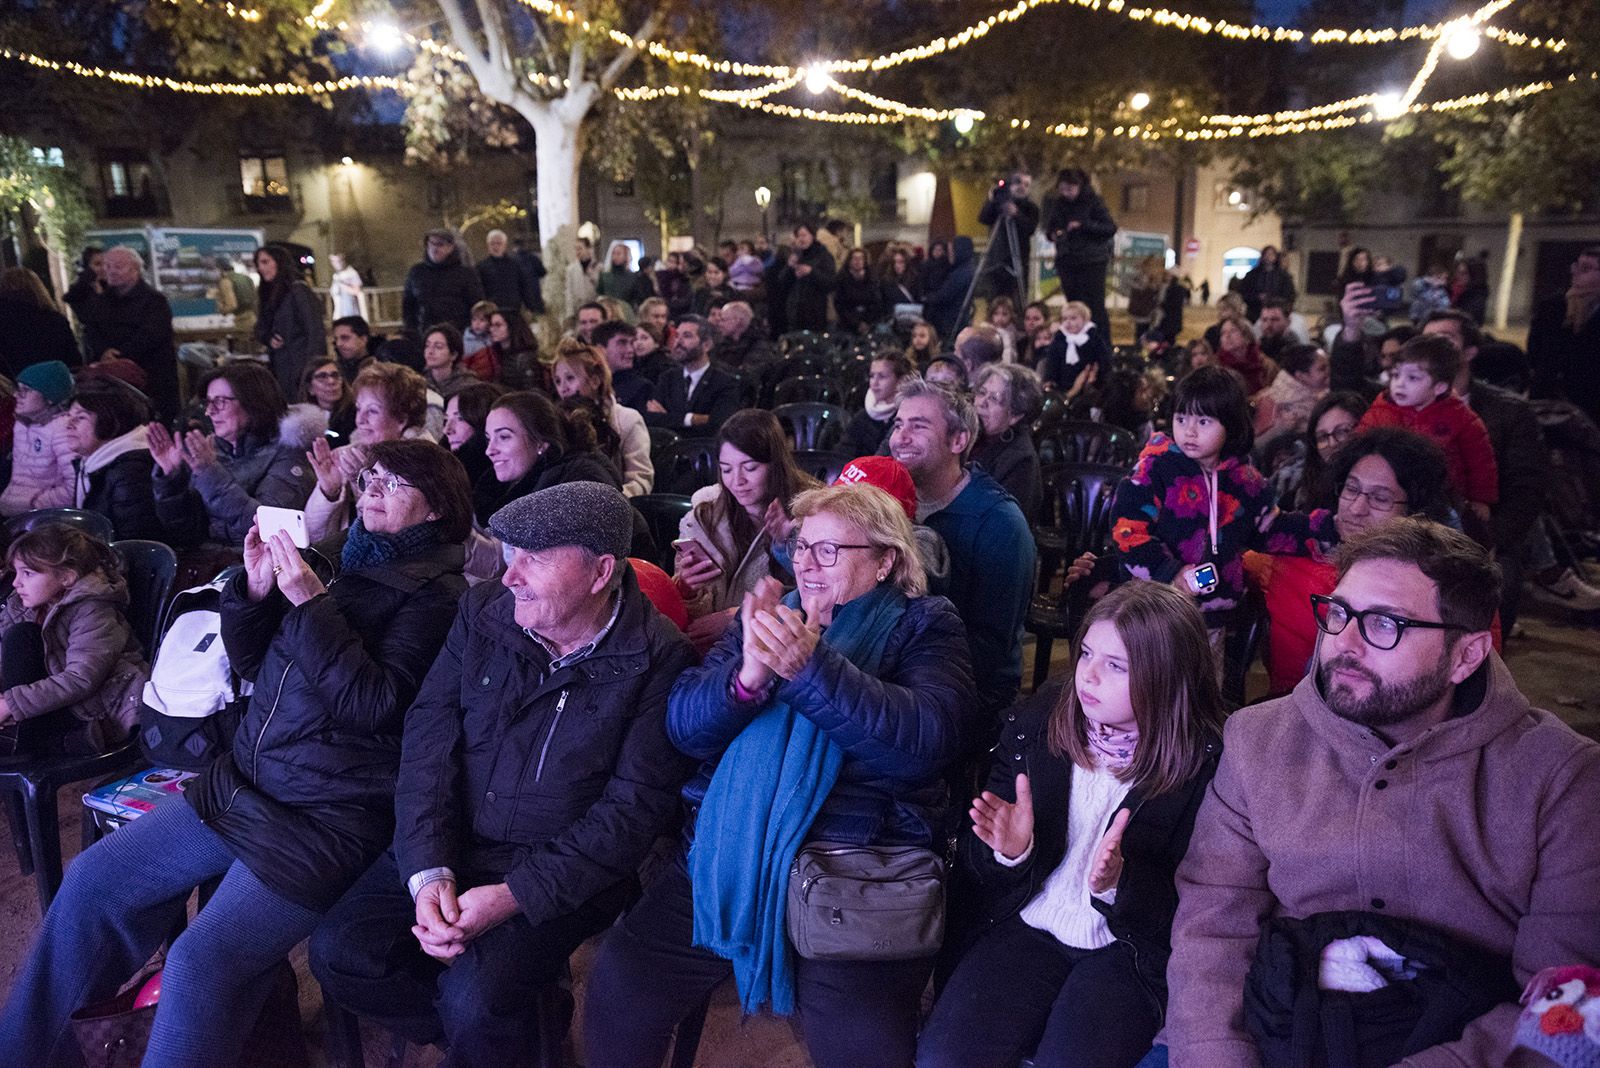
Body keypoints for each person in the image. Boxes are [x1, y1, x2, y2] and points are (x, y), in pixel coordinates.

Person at [0, 440, 471, 1066]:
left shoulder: (440, 597)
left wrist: (309, 603)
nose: (374, 488)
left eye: (396, 482)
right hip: (245, 780)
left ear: (437, 508)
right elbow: (253, 663)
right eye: (374, 475)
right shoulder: (340, 557)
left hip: (328, 817)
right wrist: (251, 594)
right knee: (93, 884)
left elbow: (373, 705)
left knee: (199, 964)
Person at [1151, 517, 1600, 1068]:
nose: (1344, 643)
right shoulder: (1258, 739)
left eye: (1385, 623)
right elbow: (1212, 926)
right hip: (1278, 1030)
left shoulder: (1563, 779)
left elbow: (1567, 1000)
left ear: (1467, 655)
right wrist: (1214, 1055)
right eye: (1338, 613)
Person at [584, 483, 977, 1068]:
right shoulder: (769, 616)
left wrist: (809, 669)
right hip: (730, 854)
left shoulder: (925, 624)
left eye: (828, 551)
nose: (806, 565)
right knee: (619, 985)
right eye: (800, 548)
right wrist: (746, 680)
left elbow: (922, 743)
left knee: (864, 1042)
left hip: (855, 868)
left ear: (886, 560)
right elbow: (684, 727)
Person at [310, 481, 694, 1066]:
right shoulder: (485, 611)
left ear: (600, 573)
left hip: (558, 866)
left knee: (478, 1001)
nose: (510, 577)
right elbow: (428, 742)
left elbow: (631, 812)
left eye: (534, 560)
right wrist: (427, 869)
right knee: (340, 952)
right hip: (454, 836)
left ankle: (497, 1039)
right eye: (509, 555)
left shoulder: (655, 655)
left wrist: (515, 896)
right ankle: (515, 1043)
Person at [920, 581, 1225, 1068]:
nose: (1088, 676)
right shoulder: (1044, 719)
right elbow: (981, 869)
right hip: (1027, 917)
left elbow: (1201, 907)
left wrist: (1118, 884)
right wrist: (1012, 852)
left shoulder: (1207, 766)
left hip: (1127, 947)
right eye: (1086, 654)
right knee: (944, 1058)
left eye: (1116, 665)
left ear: (1168, 677)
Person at [1251, 426, 1452, 697]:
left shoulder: (1440, 576)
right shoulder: (1298, 545)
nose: (1357, 509)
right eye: (1351, 489)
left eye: (1380, 499)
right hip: (1292, 707)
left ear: (1414, 509)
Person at [1109, 366, 1281, 662]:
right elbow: (1127, 530)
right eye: (1181, 418)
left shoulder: (1244, 479)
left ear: (1231, 425)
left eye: (1203, 420)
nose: (1189, 430)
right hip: (1153, 610)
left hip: (1212, 619)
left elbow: (1270, 528)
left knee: (1201, 691)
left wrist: (1327, 529)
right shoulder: (1156, 468)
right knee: (1148, 688)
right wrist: (1170, 572)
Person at [890, 379, 1034, 723]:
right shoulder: (889, 500)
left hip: (966, 687)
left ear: (958, 440)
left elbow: (990, 650)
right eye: (898, 425)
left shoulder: (998, 522)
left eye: (918, 426)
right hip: (901, 664)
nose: (900, 438)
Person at [672, 410, 819, 652]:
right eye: (726, 469)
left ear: (775, 465)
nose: (737, 481)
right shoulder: (705, 514)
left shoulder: (812, 513)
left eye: (749, 468)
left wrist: (741, 618)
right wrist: (686, 588)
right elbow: (685, 608)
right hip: (706, 649)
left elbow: (820, 600)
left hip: (773, 648)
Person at [0, 524, 149, 756]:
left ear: (67, 577)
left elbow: (81, 678)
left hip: (92, 715)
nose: (15, 583)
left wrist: (10, 704)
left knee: (22, 637)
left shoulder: (94, 609)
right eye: (16, 573)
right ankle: (23, 735)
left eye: (27, 573)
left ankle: (41, 739)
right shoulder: (24, 606)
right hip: (46, 707)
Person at [149, 361, 324, 547]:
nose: (209, 412)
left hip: (264, 566)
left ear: (254, 402)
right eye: (208, 402)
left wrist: (210, 475)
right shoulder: (212, 450)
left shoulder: (291, 450)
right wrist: (172, 481)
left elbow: (269, 530)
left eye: (220, 402)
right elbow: (184, 533)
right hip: (214, 564)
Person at [1357, 333, 1497, 525]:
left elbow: (1480, 462)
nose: (1400, 384)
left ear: (1439, 387)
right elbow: (1359, 447)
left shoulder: (1461, 417)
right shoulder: (1381, 409)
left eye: (1413, 378)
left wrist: (1481, 499)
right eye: (1396, 375)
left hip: (1443, 501)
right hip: (1387, 496)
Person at [304, 362, 431, 542]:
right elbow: (313, 535)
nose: (360, 419)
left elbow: (389, 540)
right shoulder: (351, 455)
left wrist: (361, 483)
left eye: (372, 411)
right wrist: (329, 491)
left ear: (401, 419)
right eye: (358, 408)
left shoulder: (425, 464)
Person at [473, 390, 624, 528]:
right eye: (488, 439)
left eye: (504, 437)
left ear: (541, 442)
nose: (489, 450)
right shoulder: (496, 489)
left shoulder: (580, 483)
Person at [78, 247, 179, 421]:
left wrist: (121, 356)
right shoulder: (100, 301)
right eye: (107, 266)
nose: (110, 271)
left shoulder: (154, 300)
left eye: (117, 266)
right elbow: (91, 329)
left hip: (151, 380)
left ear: (135, 269)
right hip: (113, 385)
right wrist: (103, 351)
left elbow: (151, 335)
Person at [63, 377, 162, 541]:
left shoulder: (129, 472)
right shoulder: (91, 462)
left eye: (80, 418)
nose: (68, 424)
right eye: (68, 415)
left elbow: (133, 544)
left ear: (110, 421)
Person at [551, 339, 653, 497]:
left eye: (570, 378)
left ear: (594, 381)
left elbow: (641, 479)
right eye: (558, 381)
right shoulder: (558, 421)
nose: (563, 388)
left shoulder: (628, 419)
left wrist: (608, 499)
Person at [1527, 245, 1600, 427]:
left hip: (1590, 407)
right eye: (1576, 266)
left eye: (1586, 269)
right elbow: (1534, 350)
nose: (1576, 273)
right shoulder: (1552, 306)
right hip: (1546, 401)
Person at [1044, 168, 1117, 338]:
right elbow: (1050, 227)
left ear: (1079, 186)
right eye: (1062, 189)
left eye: (1069, 189)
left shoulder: (1094, 202)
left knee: (1094, 306)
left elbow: (1110, 228)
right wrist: (1054, 234)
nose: (1066, 193)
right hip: (1067, 260)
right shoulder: (1058, 204)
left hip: (1092, 262)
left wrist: (1084, 225)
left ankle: (1100, 342)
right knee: (1074, 304)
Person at [1, 361, 78, 517]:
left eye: (26, 390)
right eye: (18, 388)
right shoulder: (22, 423)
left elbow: (74, 486)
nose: (16, 395)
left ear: (49, 398)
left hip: (40, 518)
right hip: (11, 510)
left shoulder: (62, 430)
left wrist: (35, 504)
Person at [644, 315, 741, 437]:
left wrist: (669, 418)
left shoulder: (725, 383)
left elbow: (718, 426)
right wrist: (691, 419)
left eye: (687, 336)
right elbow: (652, 419)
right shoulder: (667, 378)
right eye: (677, 335)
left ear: (706, 345)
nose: (678, 342)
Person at [970, 363, 1044, 521]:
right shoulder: (968, 434)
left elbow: (1004, 520)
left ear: (1015, 415)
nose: (982, 402)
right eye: (981, 393)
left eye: (994, 399)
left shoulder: (1021, 460)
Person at [252, 244, 327, 399]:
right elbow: (261, 327)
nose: (261, 268)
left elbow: (315, 329)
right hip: (282, 366)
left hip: (300, 366)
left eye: (266, 262)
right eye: (259, 263)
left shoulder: (298, 291)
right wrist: (268, 338)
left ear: (279, 262)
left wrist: (312, 369)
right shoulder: (269, 294)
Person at [977, 170, 1040, 309]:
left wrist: (1016, 214)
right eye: (1018, 182)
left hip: (1017, 262)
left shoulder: (1031, 208)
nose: (1022, 187)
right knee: (993, 303)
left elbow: (1030, 229)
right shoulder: (998, 204)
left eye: (1026, 184)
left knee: (1016, 304)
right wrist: (992, 201)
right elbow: (983, 218)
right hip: (995, 261)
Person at [403, 229, 484, 335]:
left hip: (457, 334)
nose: (435, 248)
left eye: (440, 244)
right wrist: (411, 331)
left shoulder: (465, 274)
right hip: (424, 334)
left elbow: (476, 305)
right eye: (431, 244)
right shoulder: (416, 272)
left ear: (450, 248)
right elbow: (408, 305)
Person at [1252, 342, 1329, 450]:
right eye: (1322, 369)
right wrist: (1279, 429)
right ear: (1301, 376)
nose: (1329, 371)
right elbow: (1255, 446)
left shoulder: (1320, 394)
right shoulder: (1276, 402)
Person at [842, 351, 914, 458]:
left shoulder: (905, 417)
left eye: (882, 376)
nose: (874, 383)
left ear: (900, 381)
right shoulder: (863, 415)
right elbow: (843, 451)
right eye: (872, 376)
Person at [1039, 299, 1111, 397]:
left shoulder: (1093, 338)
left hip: (1089, 385)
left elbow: (1103, 360)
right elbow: (1052, 360)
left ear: (1085, 319)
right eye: (1065, 319)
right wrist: (1050, 379)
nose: (1068, 322)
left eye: (1073, 318)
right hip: (1063, 384)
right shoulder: (1059, 338)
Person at [442, 381, 506, 489]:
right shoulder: (444, 467)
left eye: (460, 418)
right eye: (446, 419)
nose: (447, 430)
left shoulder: (497, 476)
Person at [779, 223, 839, 333]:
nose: (801, 239)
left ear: (812, 236)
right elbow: (782, 283)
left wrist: (811, 272)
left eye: (804, 235)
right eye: (799, 236)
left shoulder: (823, 256)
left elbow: (831, 283)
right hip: (795, 314)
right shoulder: (796, 255)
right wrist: (789, 268)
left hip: (816, 314)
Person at [923, 236, 978, 342]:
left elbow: (944, 295)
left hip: (953, 321)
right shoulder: (966, 269)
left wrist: (927, 298)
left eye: (951, 251)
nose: (949, 255)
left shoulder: (961, 273)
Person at [477, 229, 537, 316]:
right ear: (488, 246)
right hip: (492, 311)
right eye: (492, 244)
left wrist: (530, 306)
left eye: (499, 243)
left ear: (504, 245)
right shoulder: (481, 267)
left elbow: (524, 286)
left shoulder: (515, 265)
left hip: (513, 309)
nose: (495, 247)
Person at [487, 307, 544, 392]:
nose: (492, 329)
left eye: (498, 325)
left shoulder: (524, 359)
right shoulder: (498, 354)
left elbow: (533, 392)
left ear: (512, 326)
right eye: (491, 325)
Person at [420, 322, 481, 399]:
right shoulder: (419, 384)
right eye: (427, 346)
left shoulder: (470, 387)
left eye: (438, 347)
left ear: (454, 355)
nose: (430, 351)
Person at [301, 357, 356, 442]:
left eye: (335, 375)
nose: (331, 381)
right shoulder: (303, 421)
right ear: (310, 388)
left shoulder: (356, 414)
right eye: (322, 377)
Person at [832, 248, 885, 335]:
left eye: (860, 258)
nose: (858, 261)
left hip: (870, 323)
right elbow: (839, 303)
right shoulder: (842, 278)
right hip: (847, 324)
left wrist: (866, 321)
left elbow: (877, 301)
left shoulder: (872, 278)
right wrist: (856, 322)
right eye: (854, 258)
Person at [1238, 245, 1296, 323]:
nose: (1268, 257)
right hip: (1255, 312)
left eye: (1271, 254)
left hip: (1276, 311)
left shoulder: (1283, 276)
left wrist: (1277, 301)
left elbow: (1289, 294)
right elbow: (1243, 292)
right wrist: (1257, 297)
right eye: (1266, 254)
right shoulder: (1252, 275)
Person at [1213, 315, 1270, 394]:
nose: (1227, 336)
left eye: (1233, 331)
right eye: (1223, 333)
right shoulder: (1215, 367)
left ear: (1247, 336)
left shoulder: (1264, 362)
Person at [710, 300, 773, 369]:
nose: (720, 324)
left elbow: (748, 375)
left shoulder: (759, 347)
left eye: (723, 320)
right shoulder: (721, 343)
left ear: (737, 321)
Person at [330, 315, 375, 383]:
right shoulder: (333, 369)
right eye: (336, 339)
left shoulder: (378, 370)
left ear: (363, 339)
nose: (338, 344)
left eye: (345, 338)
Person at [1449, 256, 1491, 325]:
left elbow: (1471, 318)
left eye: (1464, 273)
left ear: (1474, 275)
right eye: (1457, 272)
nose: (1458, 276)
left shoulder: (1477, 295)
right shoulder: (1451, 289)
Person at [599, 240, 642, 305]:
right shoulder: (605, 276)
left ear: (625, 256)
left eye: (619, 254)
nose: (615, 256)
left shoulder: (633, 277)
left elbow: (636, 298)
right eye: (613, 253)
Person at [329, 251, 365, 320]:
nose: (337, 264)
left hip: (351, 312)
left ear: (343, 260)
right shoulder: (336, 275)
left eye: (339, 261)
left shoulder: (352, 273)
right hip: (339, 312)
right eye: (333, 261)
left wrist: (341, 284)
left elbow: (356, 291)